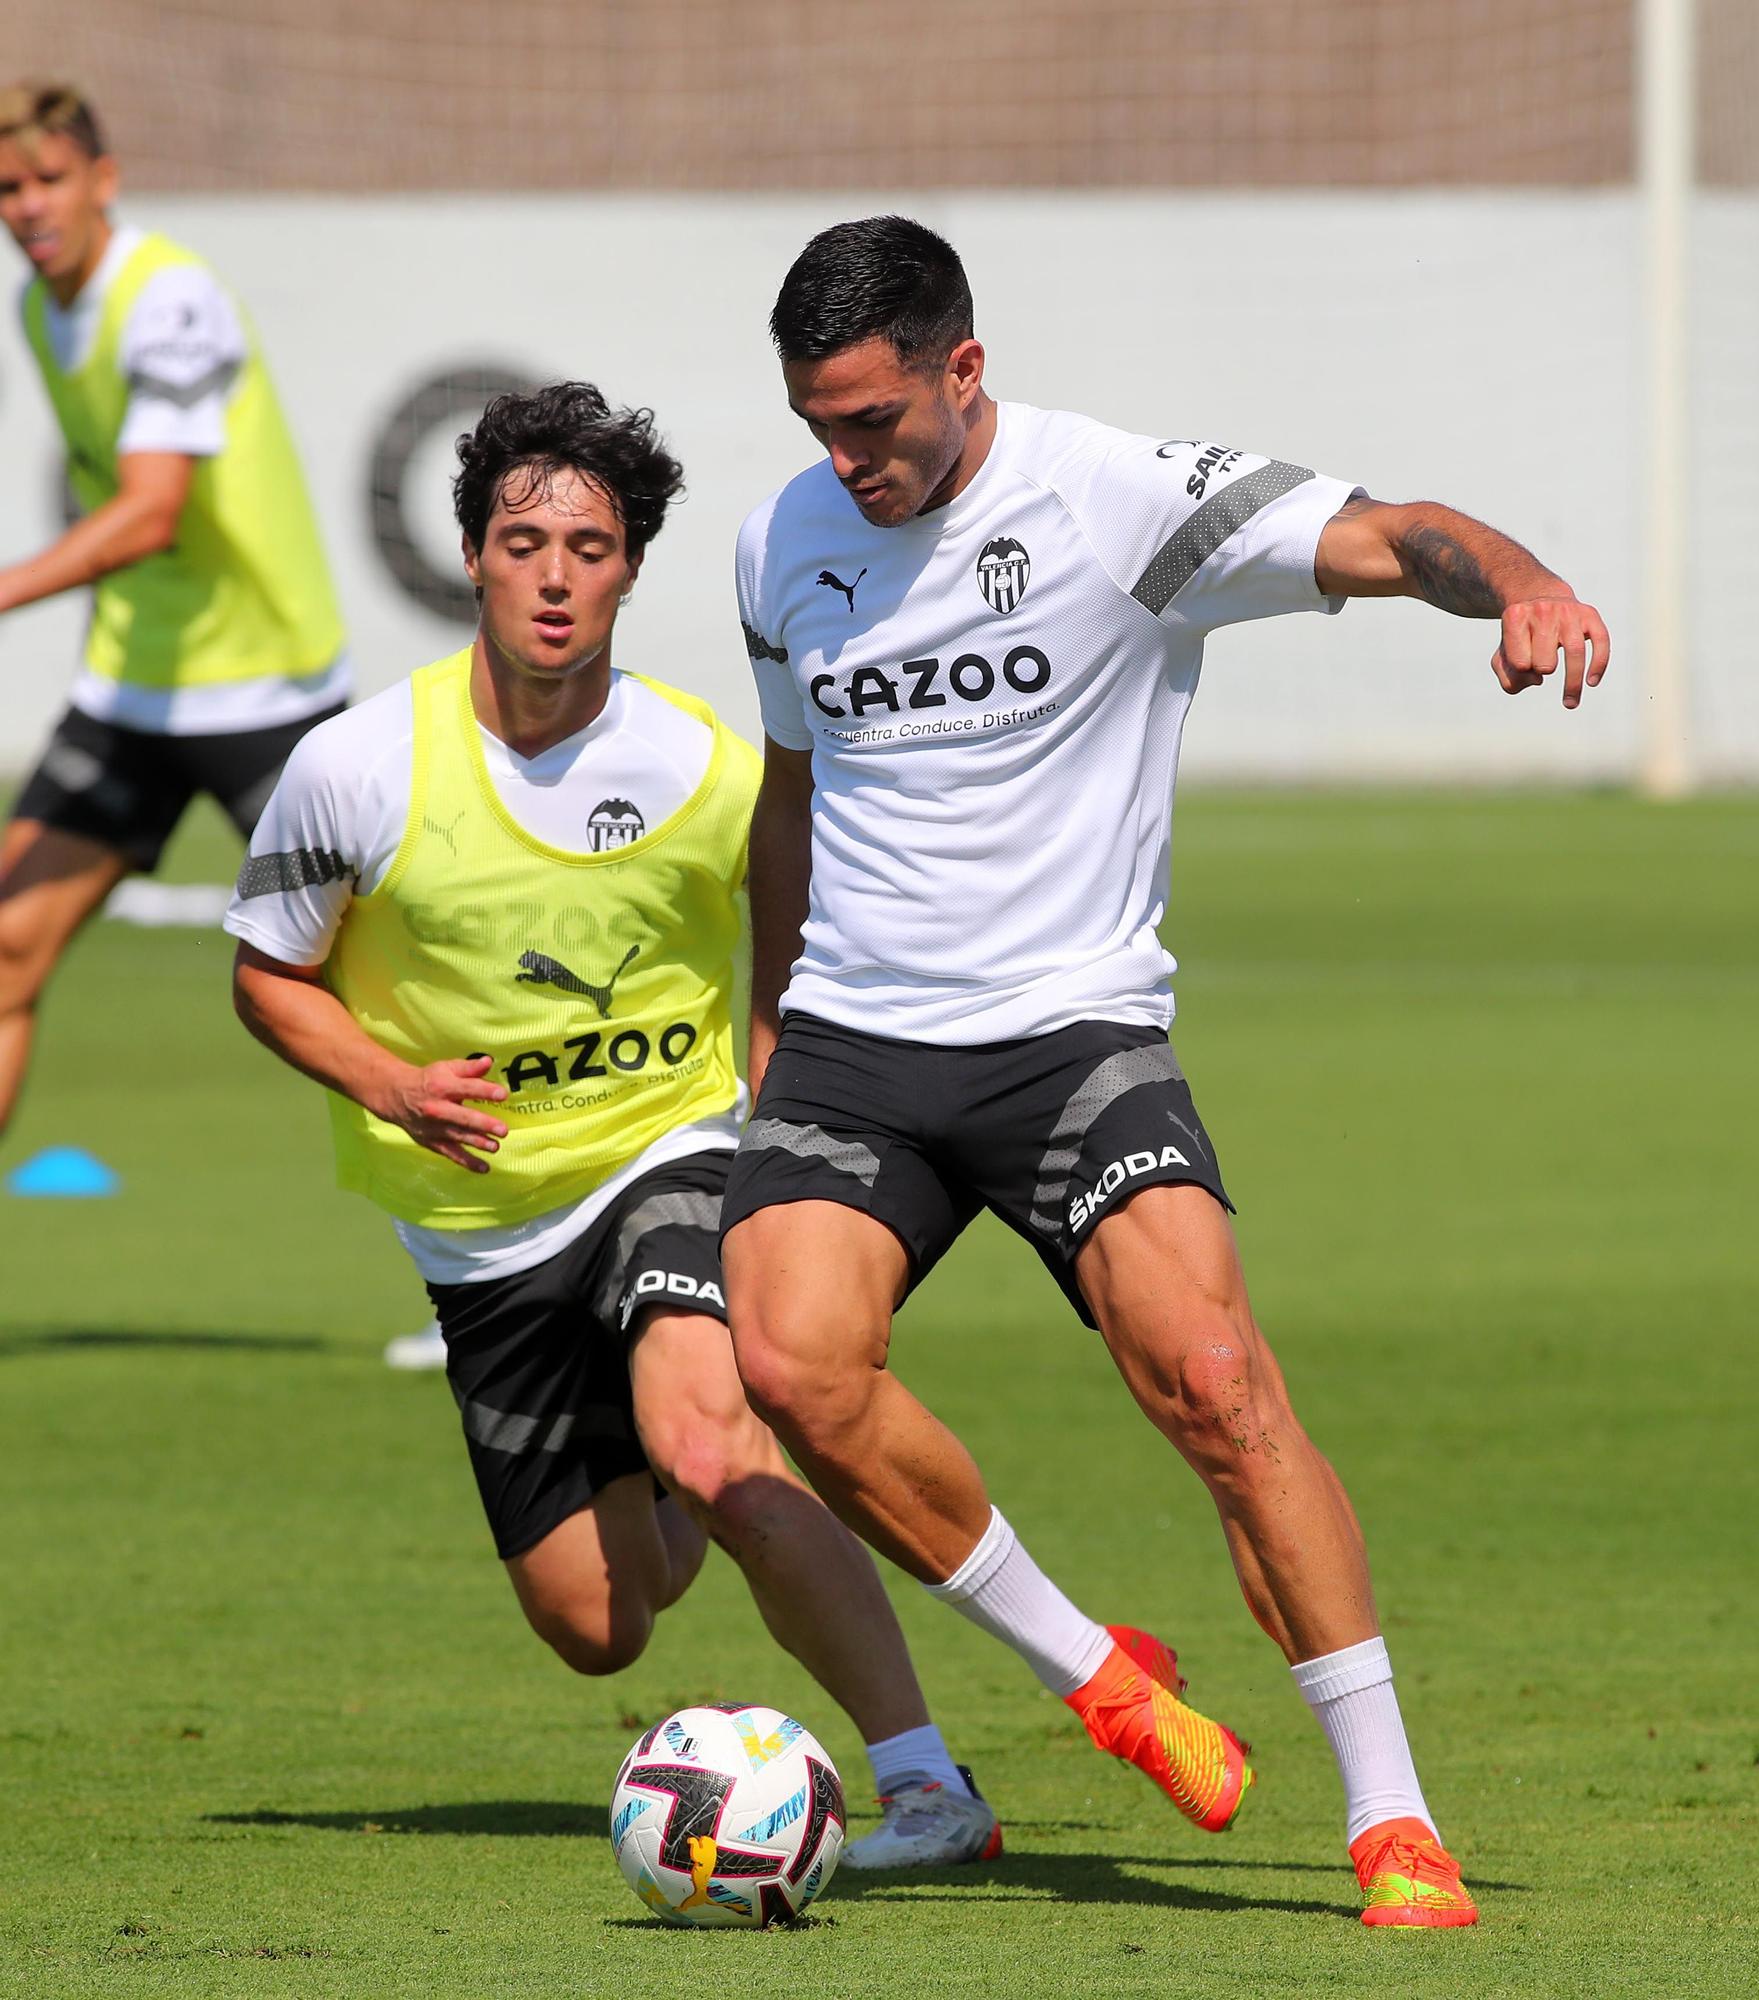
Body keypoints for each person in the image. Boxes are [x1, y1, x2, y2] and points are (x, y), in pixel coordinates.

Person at [721, 216, 1613, 1927]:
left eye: (871, 423)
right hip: (857, 1043)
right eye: (817, 427)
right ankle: (1099, 1682)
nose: (846, 462)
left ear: (961, 371)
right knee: (792, 1361)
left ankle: (1388, 1816)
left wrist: (1520, 588)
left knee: (1213, 1381)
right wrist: (770, 1016)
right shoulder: (782, 538)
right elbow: (790, 788)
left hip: (1070, 1039)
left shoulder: (1120, 497)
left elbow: (1390, 531)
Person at [222, 380, 1002, 1872]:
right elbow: (270, 978)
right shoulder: (355, 769)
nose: (557, 572)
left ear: (631, 565)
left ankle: (923, 1785)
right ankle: (670, 1454)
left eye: (590, 543)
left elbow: (806, 933)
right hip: (478, 1230)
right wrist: (386, 1083)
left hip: (669, 1154)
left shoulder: (702, 766)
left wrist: (780, 1098)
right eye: (525, 540)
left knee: (717, 1444)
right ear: (472, 555)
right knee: (599, 1624)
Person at [0, 83, 345, 1139]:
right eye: (7, 188)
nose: (28, 206)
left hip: (263, 687)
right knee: (8, 949)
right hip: (135, 684)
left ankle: (485, 1291)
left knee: (386, 989)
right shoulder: (37, 306)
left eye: (49, 179)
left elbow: (150, 513)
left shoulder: (168, 300)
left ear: (103, 180)